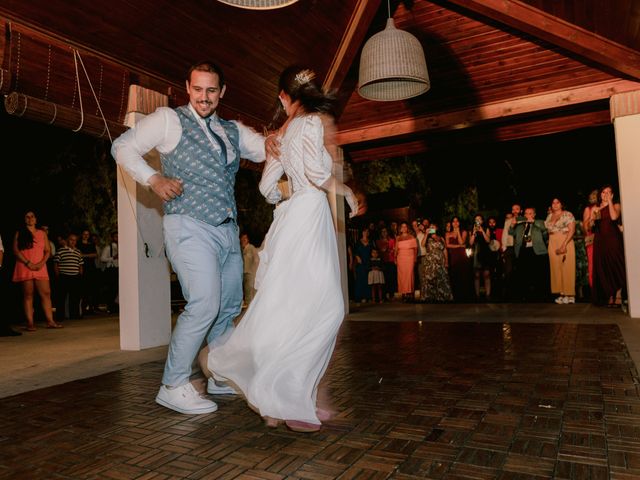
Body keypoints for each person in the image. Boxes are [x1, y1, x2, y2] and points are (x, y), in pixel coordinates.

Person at [201, 65, 359, 432]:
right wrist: (346, 192)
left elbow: (267, 188)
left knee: (290, 305)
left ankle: (280, 397)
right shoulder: (314, 122)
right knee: (325, 308)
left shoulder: (279, 134)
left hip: (290, 218)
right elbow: (318, 173)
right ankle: (281, 393)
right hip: (310, 214)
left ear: (283, 97)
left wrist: (284, 197)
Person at [111, 61, 269, 415]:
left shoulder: (232, 130)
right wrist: (153, 179)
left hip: (228, 231)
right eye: (198, 89)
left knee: (227, 308)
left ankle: (218, 375)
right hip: (188, 225)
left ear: (222, 92)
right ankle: (173, 384)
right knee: (204, 303)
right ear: (188, 87)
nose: (204, 97)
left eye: (211, 90)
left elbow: (266, 149)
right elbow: (122, 147)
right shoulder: (169, 120)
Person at [12, 211, 62, 331]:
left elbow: (47, 251)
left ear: (36, 219)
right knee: (28, 295)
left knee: (46, 293)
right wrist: (28, 263)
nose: (30, 219)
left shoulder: (42, 233)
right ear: (24, 220)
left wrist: (40, 263)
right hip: (25, 266)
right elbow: (16, 251)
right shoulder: (20, 233)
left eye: (32, 216)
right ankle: (30, 323)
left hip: (40, 267)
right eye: (27, 217)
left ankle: (50, 321)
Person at [591, 185, 626, 307]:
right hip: (600, 240)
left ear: (612, 194)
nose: (605, 194)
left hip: (613, 239)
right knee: (604, 267)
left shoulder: (616, 205)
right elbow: (591, 226)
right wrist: (592, 217)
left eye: (608, 192)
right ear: (600, 194)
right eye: (603, 192)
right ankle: (609, 295)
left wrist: (610, 202)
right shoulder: (595, 208)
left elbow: (614, 217)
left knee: (616, 264)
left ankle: (618, 295)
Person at [510, 207, 548, 302]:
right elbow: (511, 232)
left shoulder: (539, 222)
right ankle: (525, 295)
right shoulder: (520, 224)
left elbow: (545, 230)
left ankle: (539, 295)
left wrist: (533, 222)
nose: (528, 215)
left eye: (530, 213)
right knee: (524, 274)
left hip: (536, 251)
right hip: (523, 250)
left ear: (534, 214)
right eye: (526, 213)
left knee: (537, 274)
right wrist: (512, 225)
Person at [544, 198, 576, 304]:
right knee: (556, 267)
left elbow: (572, 230)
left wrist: (564, 244)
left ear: (561, 204)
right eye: (553, 202)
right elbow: (547, 230)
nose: (555, 204)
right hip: (552, 241)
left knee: (567, 266)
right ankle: (562, 293)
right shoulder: (549, 216)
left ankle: (570, 294)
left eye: (557, 202)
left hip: (565, 240)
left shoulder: (567, 214)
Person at [54, 233, 85, 320]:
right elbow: (56, 264)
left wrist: (80, 275)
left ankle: (74, 315)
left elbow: (80, 265)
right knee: (61, 297)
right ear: (67, 240)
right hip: (64, 276)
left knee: (74, 297)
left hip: (75, 277)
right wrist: (58, 275)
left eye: (75, 240)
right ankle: (60, 316)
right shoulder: (60, 250)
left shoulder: (78, 251)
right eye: (71, 240)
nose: (73, 242)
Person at [420, 224, 453, 303]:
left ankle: (442, 297)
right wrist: (426, 234)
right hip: (430, 262)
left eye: (433, 227)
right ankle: (429, 297)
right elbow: (422, 244)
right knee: (429, 279)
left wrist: (446, 262)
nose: (432, 228)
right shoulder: (427, 238)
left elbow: (445, 250)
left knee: (441, 279)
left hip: (440, 262)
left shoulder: (441, 238)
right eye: (430, 227)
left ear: (437, 228)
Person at [469, 214, 492, 301]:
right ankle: (477, 295)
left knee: (486, 274)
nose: (478, 221)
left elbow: (488, 240)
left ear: (482, 221)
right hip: (476, 252)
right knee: (477, 275)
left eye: (479, 219)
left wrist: (482, 231)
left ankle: (488, 294)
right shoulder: (472, 230)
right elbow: (471, 243)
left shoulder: (486, 229)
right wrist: (474, 233)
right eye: (476, 220)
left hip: (485, 252)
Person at [395, 222, 417, 302]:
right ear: (400, 229)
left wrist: (415, 259)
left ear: (407, 228)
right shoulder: (398, 238)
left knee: (410, 275)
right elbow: (396, 249)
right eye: (402, 227)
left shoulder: (411, 236)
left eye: (405, 227)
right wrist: (395, 258)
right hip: (401, 258)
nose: (404, 228)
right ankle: (404, 293)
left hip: (410, 258)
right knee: (402, 276)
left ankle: (410, 293)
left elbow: (415, 248)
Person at [582, 189, 599, 290]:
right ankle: (594, 288)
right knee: (593, 264)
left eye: (596, 196)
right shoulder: (588, 209)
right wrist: (591, 221)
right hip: (592, 239)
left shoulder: (603, 207)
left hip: (603, 238)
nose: (594, 198)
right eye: (592, 196)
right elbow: (585, 227)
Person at [100, 232, 119, 314]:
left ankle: (117, 306)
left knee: (118, 289)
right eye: (115, 236)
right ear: (112, 238)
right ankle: (111, 307)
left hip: (120, 270)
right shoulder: (108, 248)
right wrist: (113, 258)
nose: (117, 238)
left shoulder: (123, 246)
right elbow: (102, 259)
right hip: (112, 270)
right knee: (112, 290)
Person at [240, 232, 259, 307]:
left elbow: (256, 259)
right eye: (243, 238)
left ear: (248, 239)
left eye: (245, 238)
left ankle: (250, 305)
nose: (244, 240)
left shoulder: (251, 248)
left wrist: (254, 270)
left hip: (249, 272)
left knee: (249, 288)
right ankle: (245, 303)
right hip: (242, 273)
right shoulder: (240, 249)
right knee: (243, 289)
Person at [354, 229, 372, 302]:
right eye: (364, 231)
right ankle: (360, 297)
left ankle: (368, 297)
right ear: (362, 232)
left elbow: (374, 251)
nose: (366, 233)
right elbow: (355, 251)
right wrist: (357, 257)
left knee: (368, 280)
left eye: (367, 231)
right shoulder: (358, 242)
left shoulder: (371, 242)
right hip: (360, 262)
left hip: (368, 262)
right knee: (360, 279)